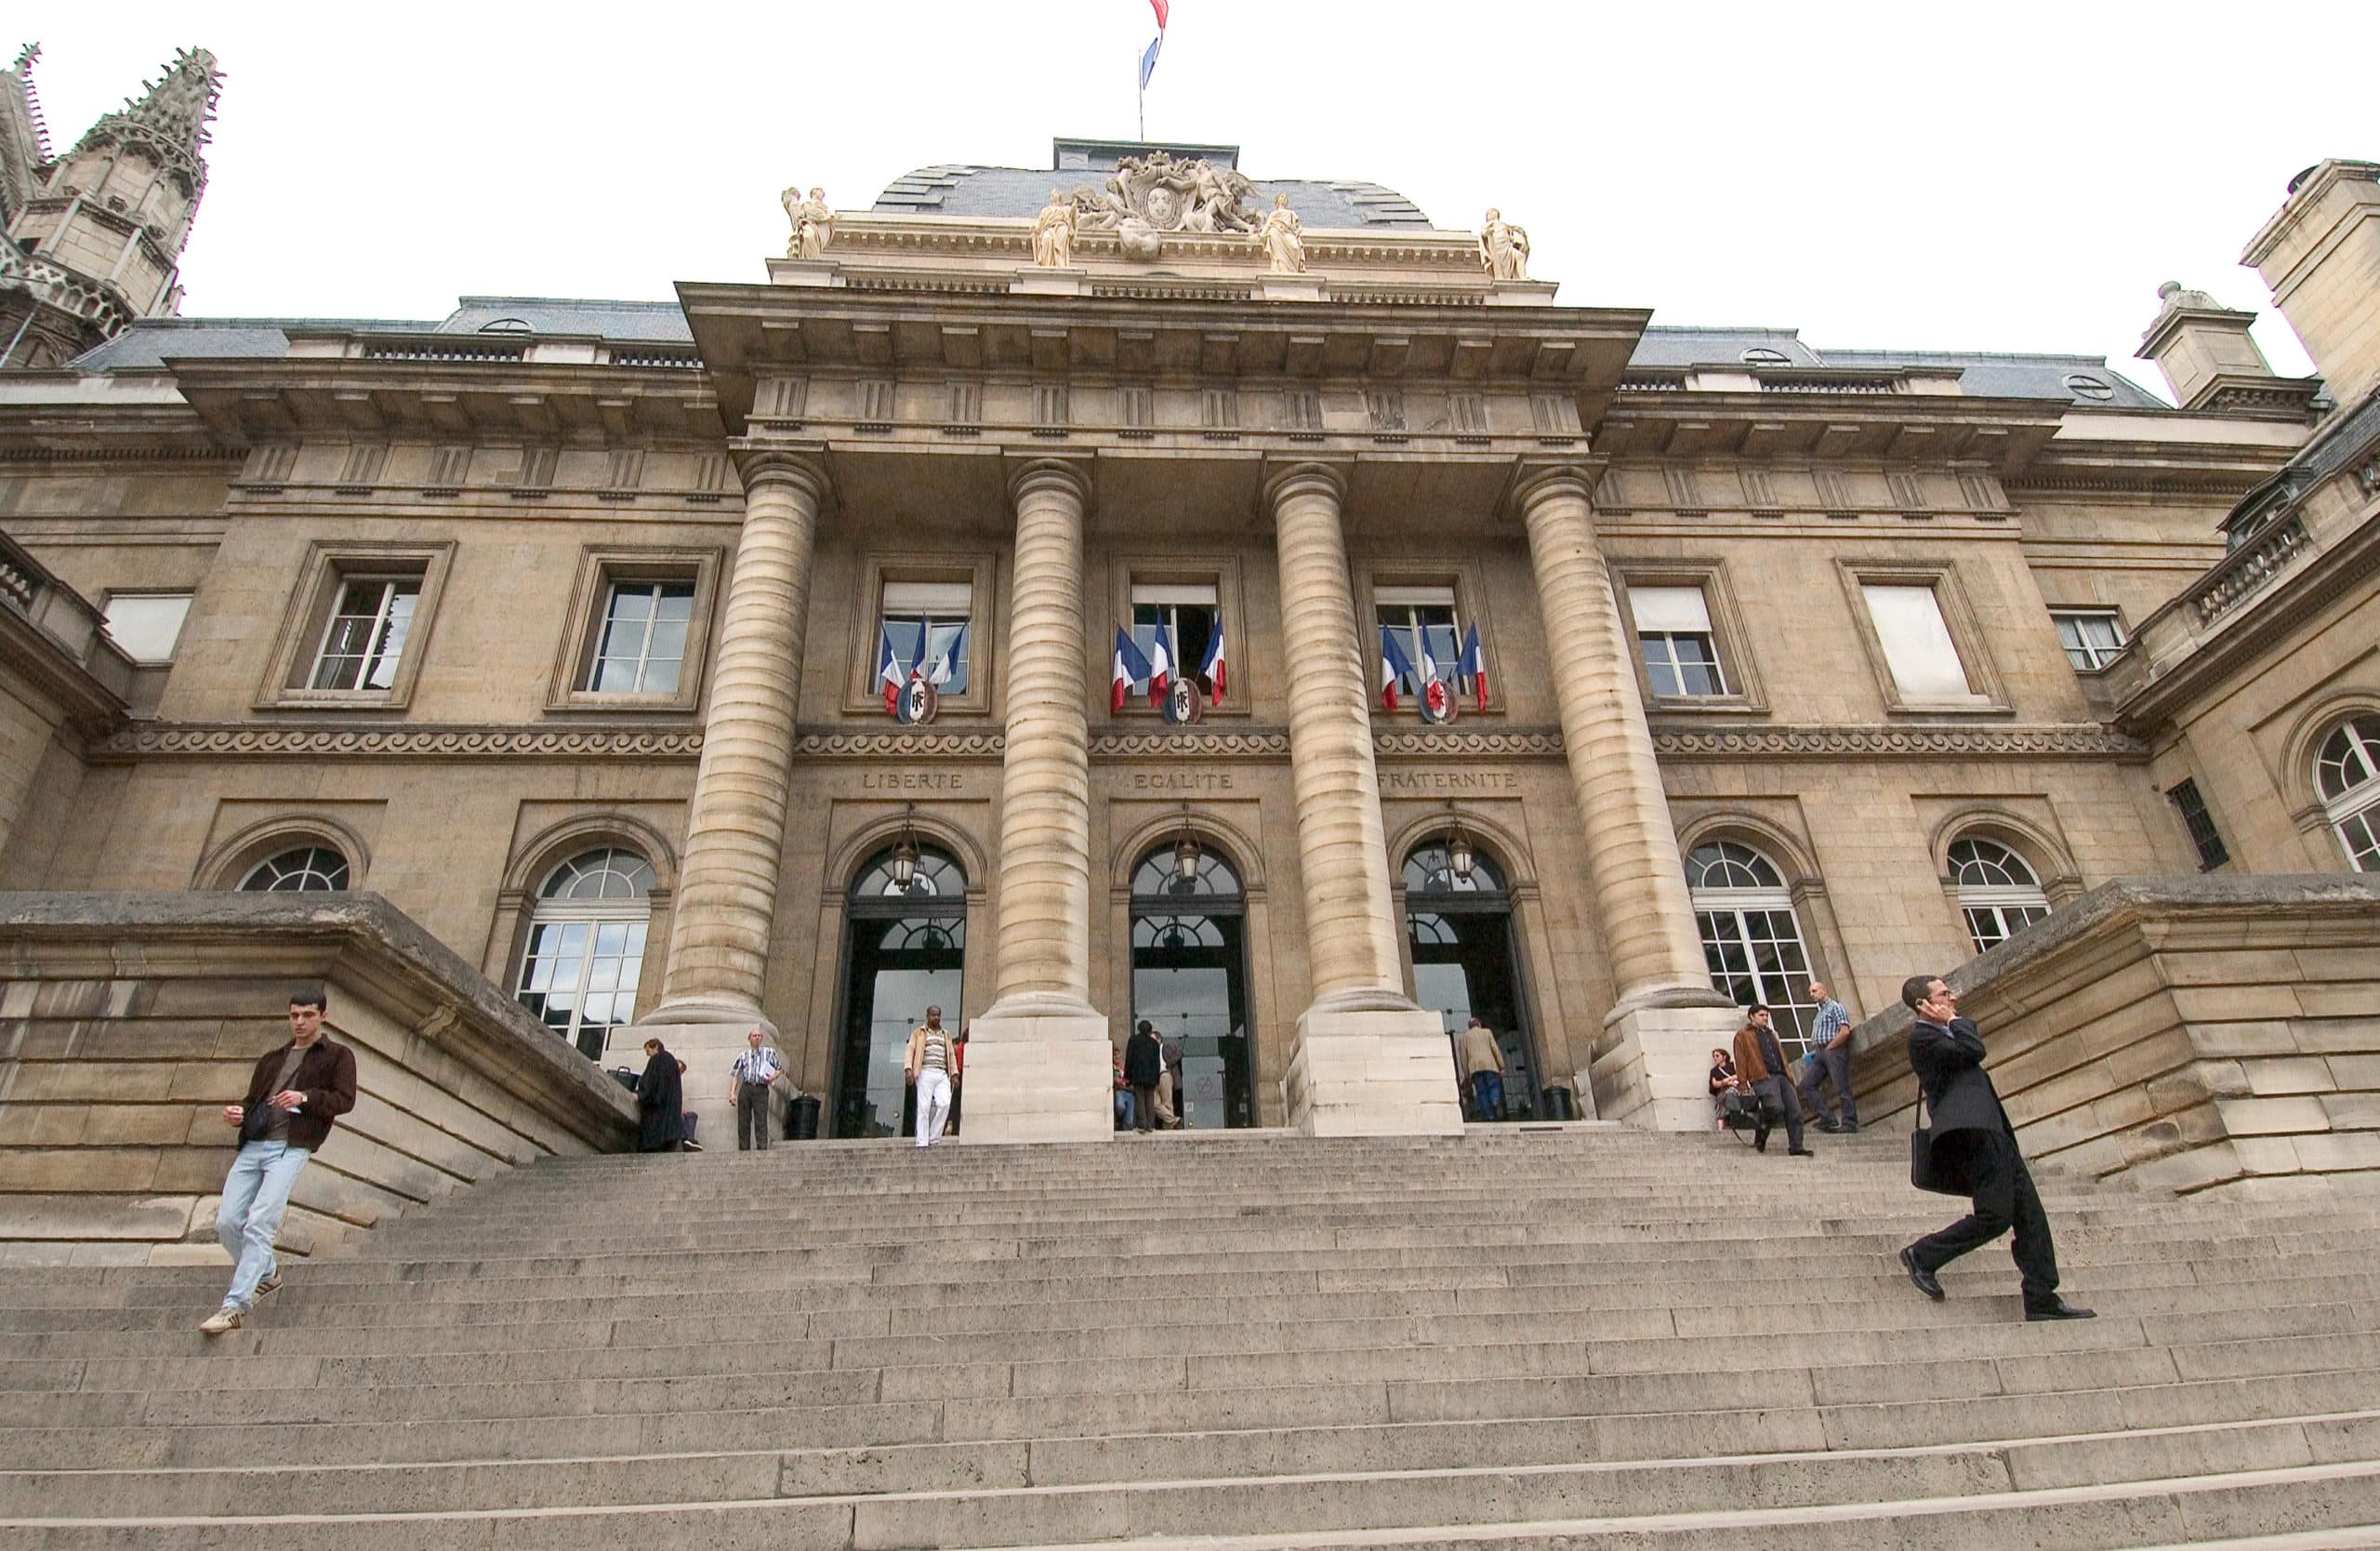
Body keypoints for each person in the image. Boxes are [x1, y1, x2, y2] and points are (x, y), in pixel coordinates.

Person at [1897, 974, 2094, 1321]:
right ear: (1923, 1005)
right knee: (1995, 1216)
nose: (1953, 997)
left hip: (1993, 1132)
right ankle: (1923, 1254)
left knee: (2030, 1215)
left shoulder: (1942, 1032)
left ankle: (2041, 1297)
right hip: (1971, 1134)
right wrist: (1953, 1021)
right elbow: (1975, 1050)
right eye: (1944, 994)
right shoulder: (1923, 1037)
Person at [197, 986, 358, 1336]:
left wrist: (305, 1096)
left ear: (323, 1016)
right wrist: (240, 1112)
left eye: (308, 1015)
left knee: (260, 1222)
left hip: (291, 1146)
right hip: (254, 1144)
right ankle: (267, 1273)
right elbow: (254, 1100)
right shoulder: (272, 1058)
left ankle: (235, 1305)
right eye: (294, 1015)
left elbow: (345, 1100)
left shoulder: (337, 1056)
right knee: (227, 1222)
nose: (299, 1022)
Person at [1731, 1005, 1814, 1157]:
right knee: (1775, 1108)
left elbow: (1781, 1055)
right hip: (1763, 1077)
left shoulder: (1771, 1034)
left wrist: (1789, 1075)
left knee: (1795, 1111)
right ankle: (1761, 1131)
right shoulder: (1743, 1035)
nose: (1765, 1018)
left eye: (1766, 1015)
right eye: (1761, 1015)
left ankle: (1796, 1146)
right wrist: (1743, 1084)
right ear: (1752, 1016)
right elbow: (1740, 1060)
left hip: (1782, 1075)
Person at [1796, 981, 1858, 1133]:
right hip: (1819, 1052)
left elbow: (1844, 1031)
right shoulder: (1820, 1013)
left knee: (1841, 1085)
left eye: (1814, 991)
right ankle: (1827, 1118)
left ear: (1824, 991)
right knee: (1807, 1084)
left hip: (1834, 1049)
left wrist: (1831, 1047)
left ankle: (1849, 1122)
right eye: (1810, 992)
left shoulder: (1836, 1007)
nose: (1812, 994)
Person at [905, 1005, 956, 1147]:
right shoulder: (919, 1033)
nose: (936, 1018)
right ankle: (921, 1140)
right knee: (924, 1106)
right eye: (933, 1015)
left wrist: (954, 1074)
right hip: (925, 1071)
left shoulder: (945, 1034)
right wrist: (908, 1069)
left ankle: (933, 1137)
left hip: (942, 1073)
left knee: (945, 1103)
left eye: (938, 1015)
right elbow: (910, 1050)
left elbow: (951, 1055)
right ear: (927, 1016)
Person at [730, 1028, 786, 1151]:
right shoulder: (743, 1055)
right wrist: (732, 1093)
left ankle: (762, 1147)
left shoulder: (769, 1053)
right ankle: (744, 1148)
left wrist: (773, 1076)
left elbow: (780, 1069)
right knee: (743, 1120)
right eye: (754, 1036)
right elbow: (735, 1075)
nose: (757, 1038)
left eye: (759, 1036)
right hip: (747, 1087)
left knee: (761, 1118)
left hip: (761, 1088)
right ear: (749, 1038)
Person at [634, 1038, 683, 1153]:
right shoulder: (672, 1061)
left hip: (657, 1116)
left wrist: (640, 1094)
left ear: (656, 1047)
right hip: (671, 1118)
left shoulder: (656, 1060)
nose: (648, 1055)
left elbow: (650, 1083)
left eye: (648, 1051)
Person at [1457, 1016, 1507, 1122]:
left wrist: (1467, 1074)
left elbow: (1463, 1058)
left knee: (1482, 1091)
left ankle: (1490, 1116)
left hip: (1475, 1068)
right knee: (1493, 1086)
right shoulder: (1487, 1032)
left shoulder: (1464, 1038)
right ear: (1479, 1024)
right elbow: (1495, 1049)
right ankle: (1495, 1101)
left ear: (1469, 1027)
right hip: (1490, 1065)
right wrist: (1501, 1066)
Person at [1123, 1020, 1163, 1134]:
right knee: (1149, 1099)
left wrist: (1127, 1076)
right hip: (1151, 1076)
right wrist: (1157, 1078)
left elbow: (1129, 1059)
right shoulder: (1155, 1044)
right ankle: (1150, 1124)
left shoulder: (1134, 1041)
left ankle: (1142, 1124)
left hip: (1138, 1075)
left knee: (1140, 1098)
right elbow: (1157, 1063)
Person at [1708, 1046, 1739, 1131]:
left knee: (1730, 1093)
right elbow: (1715, 1084)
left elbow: (1739, 1076)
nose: (1715, 1058)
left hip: (1734, 1092)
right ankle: (1721, 1129)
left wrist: (1727, 1081)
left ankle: (1734, 1120)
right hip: (1721, 1093)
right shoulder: (1714, 1071)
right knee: (1722, 1099)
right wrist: (1727, 1081)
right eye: (1714, 1056)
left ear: (1724, 1056)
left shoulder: (1732, 1066)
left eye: (1717, 1056)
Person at [1113, 1048, 1136, 1132]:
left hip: (1129, 1093)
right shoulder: (1112, 1068)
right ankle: (1118, 1121)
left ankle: (1125, 1128)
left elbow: (1129, 1081)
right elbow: (1117, 1082)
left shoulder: (1124, 1066)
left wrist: (1124, 1084)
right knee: (1120, 1107)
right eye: (1114, 1055)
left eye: (1118, 1054)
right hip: (1119, 1092)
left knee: (1129, 1120)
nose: (1116, 1057)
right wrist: (1124, 1085)